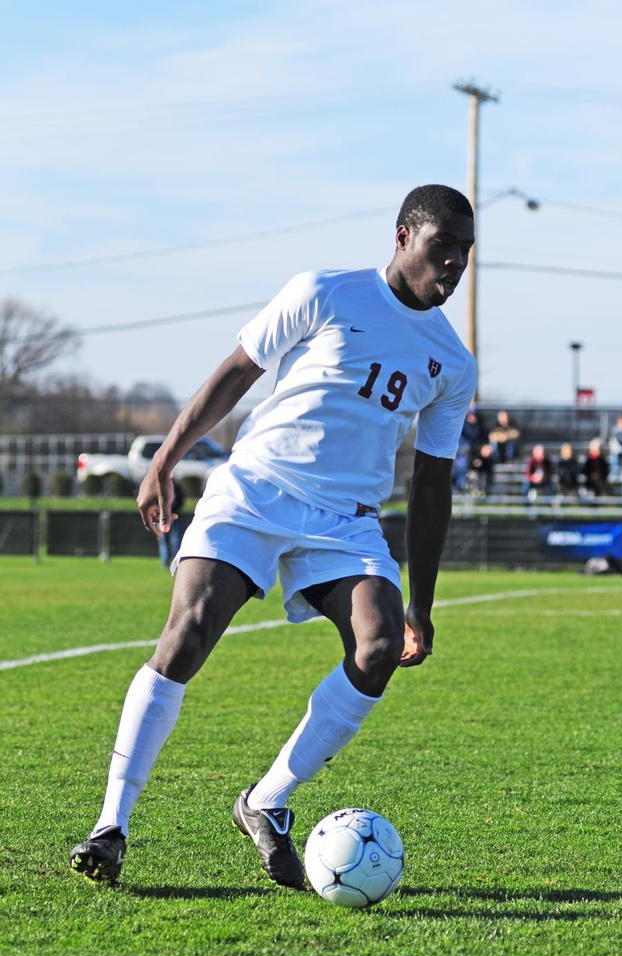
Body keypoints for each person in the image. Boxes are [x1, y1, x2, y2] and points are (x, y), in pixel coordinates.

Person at [69, 184, 477, 890]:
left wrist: (424, 603)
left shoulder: (453, 362)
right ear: (404, 235)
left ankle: (265, 801)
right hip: (254, 488)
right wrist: (164, 459)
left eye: (465, 257)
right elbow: (235, 373)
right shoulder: (324, 291)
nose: (453, 268)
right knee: (188, 633)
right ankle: (111, 824)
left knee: (377, 647)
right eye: (443, 250)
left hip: (345, 519)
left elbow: (432, 484)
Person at [158, 480, 184, 568]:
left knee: (175, 540)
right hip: (163, 517)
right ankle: (165, 562)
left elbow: (180, 500)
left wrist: (174, 510)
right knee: (163, 540)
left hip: (174, 516)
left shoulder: (176, 487)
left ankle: (175, 560)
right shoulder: (160, 486)